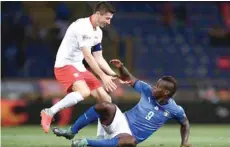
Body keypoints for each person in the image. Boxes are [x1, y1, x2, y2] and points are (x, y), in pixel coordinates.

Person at [52, 59, 192, 147]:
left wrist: (184, 142)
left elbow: (185, 123)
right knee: (106, 105)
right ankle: (71, 131)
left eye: (157, 87)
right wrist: (121, 67)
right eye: (155, 85)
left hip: (128, 137)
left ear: (166, 93)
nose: (153, 87)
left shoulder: (175, 109)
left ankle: (85, 143)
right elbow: (130, 78)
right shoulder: (147, 90)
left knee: (130, 142)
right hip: (120, 121)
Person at [40, 2, 118, 137]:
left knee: (106, 99)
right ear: (98, 14)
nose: (109, 22)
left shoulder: (98, 32)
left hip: (78, 67)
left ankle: (100, 138)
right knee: (84, 91)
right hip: (65, 65)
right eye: (107, 18)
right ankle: (49, 112)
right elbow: (88, 56)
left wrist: (112, 74)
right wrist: (103, 76)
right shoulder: (82, 26)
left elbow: (98, 58)